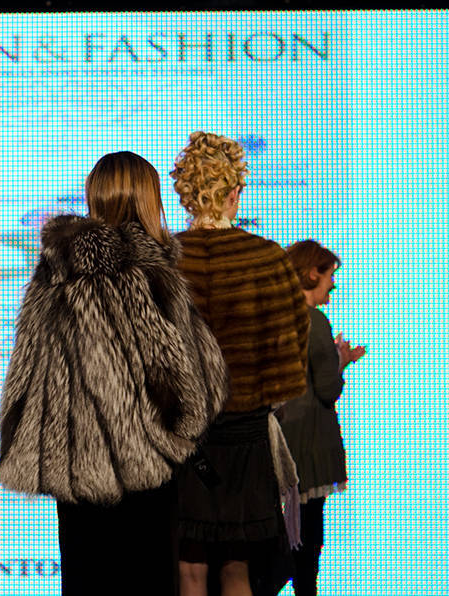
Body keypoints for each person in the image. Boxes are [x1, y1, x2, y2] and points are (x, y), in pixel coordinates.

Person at [0, 151, 229, 595]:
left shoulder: (54, 272)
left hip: (74, 473)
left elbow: (24, 373)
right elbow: (193, 385)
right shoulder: (149, 273)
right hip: (143, 471)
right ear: (147, 199)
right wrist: (178, 438)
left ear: (95, 197)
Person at [169, 131, 311, 596]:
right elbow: (294, 346)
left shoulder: (163, 262)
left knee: (189, 570)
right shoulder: (268, 259)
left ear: (187, 195)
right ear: (235, 192)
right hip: (247, 438)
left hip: (182, 442)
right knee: (238, 569)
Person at [279, 240, 365, 596]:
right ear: (313, 273)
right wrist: (340, 360)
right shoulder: (314, 320)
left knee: (288, 530)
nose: (333, 283)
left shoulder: (279, 316)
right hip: (309, 443)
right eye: (330, 274)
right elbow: (327, 389)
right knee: (308, 536)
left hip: (281, 435)